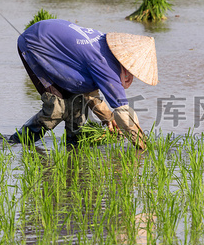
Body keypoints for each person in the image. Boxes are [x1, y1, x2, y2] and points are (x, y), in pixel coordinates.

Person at [10, 18, 158, 148]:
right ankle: (16, 142)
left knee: (77, 106)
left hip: (53, 38)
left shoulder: (106, 48)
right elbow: (123, 112)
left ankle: (72, 151)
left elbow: (89, 92)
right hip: (35, 43)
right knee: (57, 109)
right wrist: (142, 145)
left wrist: (109, 119)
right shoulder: (104, 63)